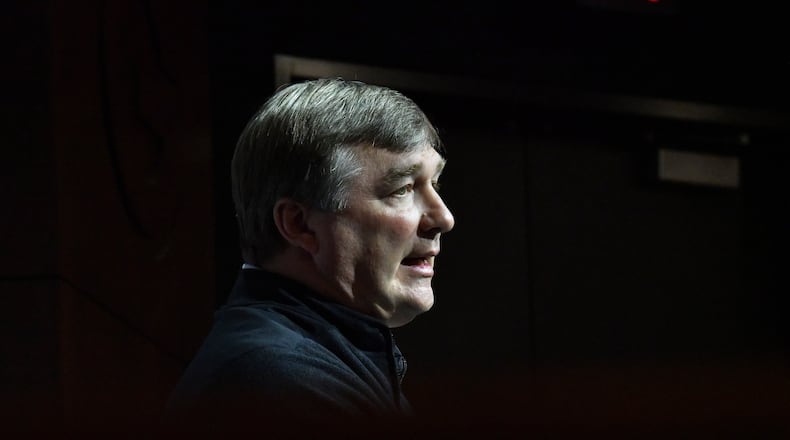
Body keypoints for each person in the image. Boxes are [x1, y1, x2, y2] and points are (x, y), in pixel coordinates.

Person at [166, 78, 454, 433]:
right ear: (300, 225)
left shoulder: (322, 362)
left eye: (434, 184)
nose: (443, 218)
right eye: (403, 189)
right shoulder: (278, 383)